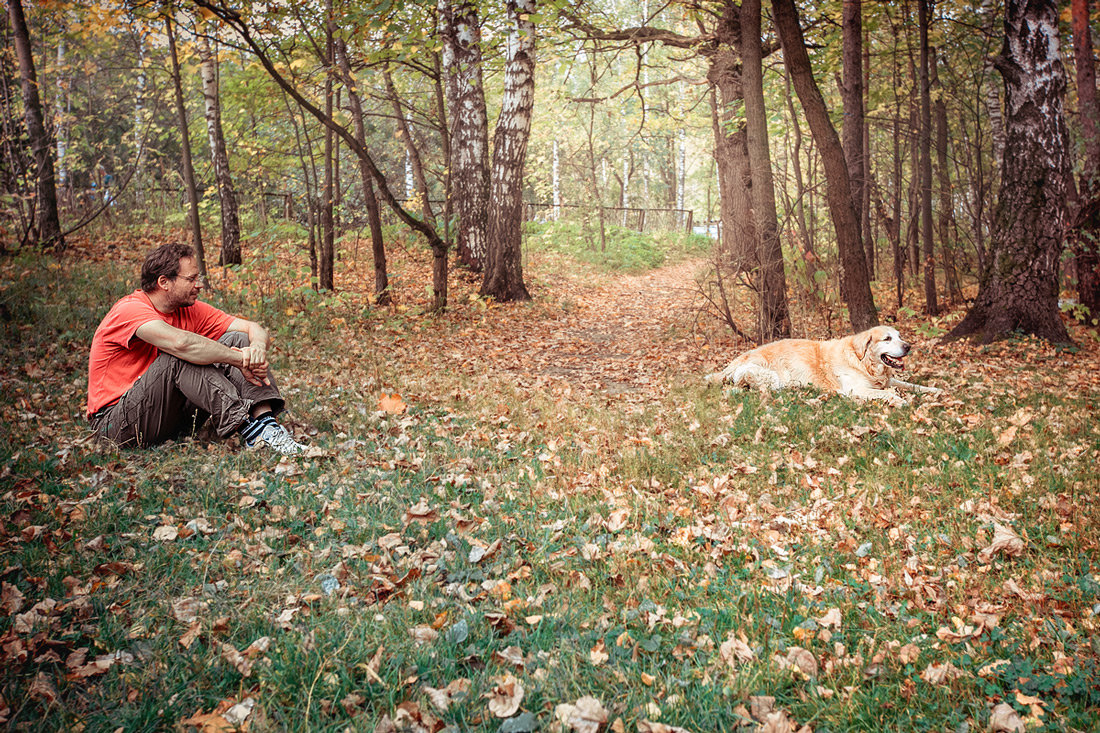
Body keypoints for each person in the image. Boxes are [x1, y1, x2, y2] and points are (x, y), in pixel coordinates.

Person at [87, 242, 306, 455]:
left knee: (238, 338)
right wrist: (239, 360)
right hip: (115, 426)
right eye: (191, 279)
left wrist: (256, 348)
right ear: (164, 282)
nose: (199, 284)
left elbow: (252, 328)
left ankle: (266, 426)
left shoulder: (186, 309)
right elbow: (181, 344)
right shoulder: (130, 309)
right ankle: (250, 428)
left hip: (168, 417)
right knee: (178, 355)